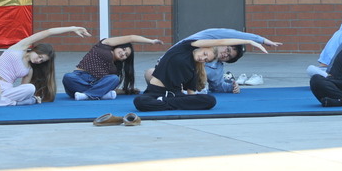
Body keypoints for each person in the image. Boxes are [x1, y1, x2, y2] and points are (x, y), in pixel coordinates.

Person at [134, 38, 268, 111]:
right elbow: (217, 40)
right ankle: (166, 102)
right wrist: (250, 40)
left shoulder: (196, 69)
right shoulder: (184, 48)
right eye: (204, 54)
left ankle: (165, 103)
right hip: (156, 92)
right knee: (140, 101)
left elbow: (193, 93)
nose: (203, 58)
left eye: (207, 59)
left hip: (174, 96)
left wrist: (231, 87)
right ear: (202, 47)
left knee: (209, 100)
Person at [144, 28, 282, 94]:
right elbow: (232, 34)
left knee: (205, 96)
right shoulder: (202, 40)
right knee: (150, 72)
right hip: (168, 74)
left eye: (228, 57)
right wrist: (261, 40)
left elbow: (217, 86)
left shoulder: (217, 66)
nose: (224, 54)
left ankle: (178, 94)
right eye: (227, 50)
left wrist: (232, 87)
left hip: (187, 87)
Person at [0, 26, 91, 105]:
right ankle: (12, 102)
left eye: (41, 60)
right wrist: (72, 28)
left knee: (30, 88)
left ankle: (0, 100)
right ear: (35, 50)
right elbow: (48, 32)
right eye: (39, 56)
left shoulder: (29, 70)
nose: (38, 60)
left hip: (5, 89)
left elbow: (23, 88)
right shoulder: (19, 47)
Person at [62, 34, 163, 100]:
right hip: (80, 78)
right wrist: (151, 41)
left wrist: (125, 91)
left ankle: (88, 95)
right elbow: (131, 37)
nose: (123, 53)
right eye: (123, 49)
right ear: (117, 45)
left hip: (94, 85)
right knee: (68, 77)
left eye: (126, 55)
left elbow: (107, 85)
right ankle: (97, 94)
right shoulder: (104, 45)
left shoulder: (115, 69)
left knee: (114, 79)